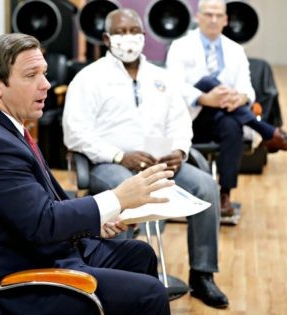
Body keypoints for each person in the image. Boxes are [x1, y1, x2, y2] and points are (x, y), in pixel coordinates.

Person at [0, 33, 175, 315]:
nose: (45, 85)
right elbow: (43, 223)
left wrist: (96, 220)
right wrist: (117, 198)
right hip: (26, 280)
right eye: (31, 75)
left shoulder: (2, 127)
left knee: (139, 254)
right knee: (149, 294)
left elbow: (36, 205)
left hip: (46, 251)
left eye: (44, 73)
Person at [63, 8, 229, 309]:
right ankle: (119, 280)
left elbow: (180, 122)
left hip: (161, 165)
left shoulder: (161, 77)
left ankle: (203, 275)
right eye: (121, 32)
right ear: (106, 38)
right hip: (111, 166)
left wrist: (179, 151)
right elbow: (75, 133)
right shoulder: (89, 78)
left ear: (144, 35)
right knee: (122, 191)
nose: (129, 39)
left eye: (134, 31)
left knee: (206, 186)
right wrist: (119, 155)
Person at [165, 0, 287, 215]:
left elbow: (247, 89)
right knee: (207, 82)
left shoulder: (235, 50)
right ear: (198, 17)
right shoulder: (180, 46)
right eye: (208, 14)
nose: (213, 20)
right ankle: (270, 134)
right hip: (191, 118)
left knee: (232, 124)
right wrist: (205, 98)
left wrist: (240, 98)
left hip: (225, 116)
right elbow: (173, 86)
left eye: (218, 15)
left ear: (226, 20)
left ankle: (225, 194)